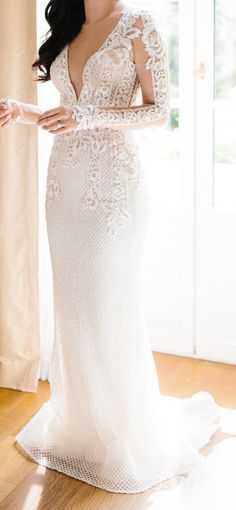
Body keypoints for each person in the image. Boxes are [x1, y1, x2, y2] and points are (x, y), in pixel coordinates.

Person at [1, 0, 235, 504]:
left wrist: (83, 116)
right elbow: (66, 113)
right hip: (64, 184)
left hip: (113, 189)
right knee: (76, 307)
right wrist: (24, 112)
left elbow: (157, 111)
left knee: (107, 304)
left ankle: (123, 433)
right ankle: (82, 426)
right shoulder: (68, 24)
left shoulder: (138, 25)